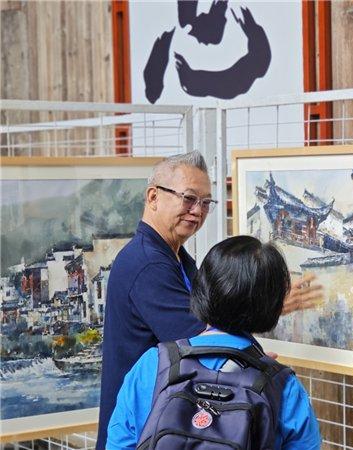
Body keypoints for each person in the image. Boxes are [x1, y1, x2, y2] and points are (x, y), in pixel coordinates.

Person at [97, 152, 323, 449]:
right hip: (153, 420)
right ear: (153, 197)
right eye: (189, 198)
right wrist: (258, 364)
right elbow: (203, 343)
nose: (197, 211)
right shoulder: (147, 263)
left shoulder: (175, 256)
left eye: (206, 203)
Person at [106, 235, 321, 449]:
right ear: (273, 303)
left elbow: (119, 444)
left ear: (201, 288)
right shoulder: (282, 386)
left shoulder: (153, 365)